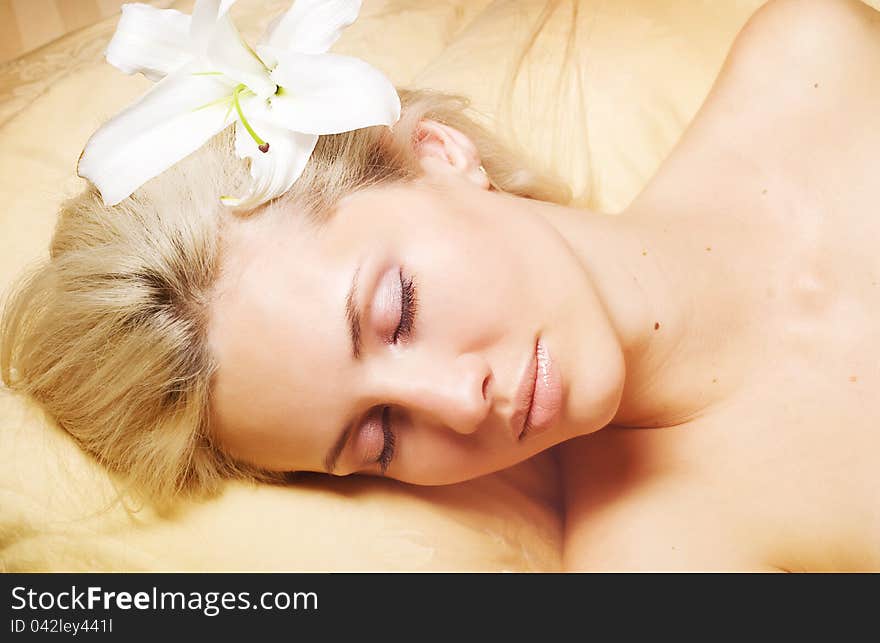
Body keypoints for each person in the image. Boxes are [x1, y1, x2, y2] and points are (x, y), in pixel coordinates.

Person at [1, 0, 878, 571]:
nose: (460, 404)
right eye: (378, 435)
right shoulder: (666, 563)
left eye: (398, 311)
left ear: (439, 155)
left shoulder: (813, 61)